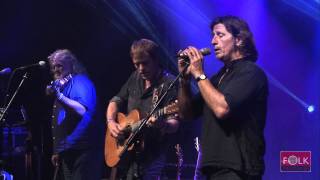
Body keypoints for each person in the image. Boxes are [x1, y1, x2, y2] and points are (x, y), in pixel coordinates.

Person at [178, 16, 268, 180]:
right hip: (214, 167)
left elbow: (222, 108)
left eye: (220, 35)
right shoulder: (218, 77)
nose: (213, 41)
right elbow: (187, 113)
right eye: (213, 35)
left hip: (238, 169)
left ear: (239, 40)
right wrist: (184, 80)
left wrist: (199, 73)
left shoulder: (251, 72)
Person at [106, 39, 179, 179]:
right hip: (127, 154)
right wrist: (111, 122)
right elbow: (116, 100)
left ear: (156, 60)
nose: (140, 69)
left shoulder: (169, 83)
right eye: (136, 64)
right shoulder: (135, 77)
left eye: (145, 63)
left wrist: (162, 124)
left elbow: (174, 124)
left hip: (152, 156)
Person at [47, 49, 103, 180]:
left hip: (83, 151)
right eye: (54, 66)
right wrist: (57, 151)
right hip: (69, 152)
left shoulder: (80, 81)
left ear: (72, 65)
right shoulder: (64, 87)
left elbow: (82, 110)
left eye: (59, 65)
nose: (56, 69)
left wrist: (60, 97)